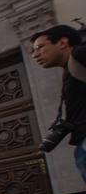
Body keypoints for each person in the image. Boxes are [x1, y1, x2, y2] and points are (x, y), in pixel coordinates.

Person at [30, 25, 86, 181]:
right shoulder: (70, 67)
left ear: (62, 43)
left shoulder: (79, 53)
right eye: (33, 51)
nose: (35, 55)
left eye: (40, 47)